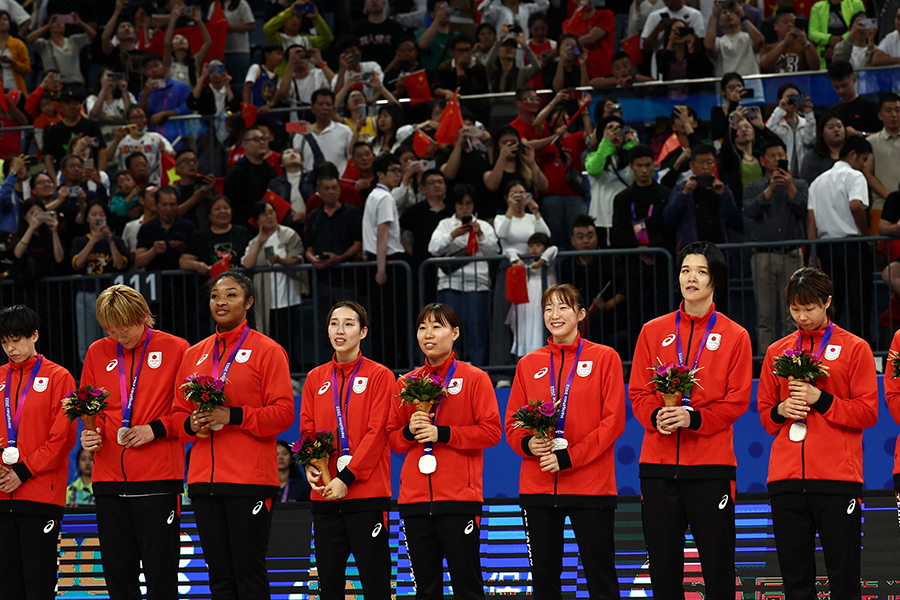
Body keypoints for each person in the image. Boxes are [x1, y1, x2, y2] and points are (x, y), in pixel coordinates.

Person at [628, 241, 752, 600]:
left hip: (711, 468)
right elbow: (637, 392)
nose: (691, 278)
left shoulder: (735, 335)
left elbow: (736, 401)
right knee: (663, 571)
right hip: (658, 466)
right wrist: (656, 417)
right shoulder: (653, 331)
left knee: (717, 568)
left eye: (700, 271)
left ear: (715, 280)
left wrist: (693, 417)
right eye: (685, 270)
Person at [758, 267, 877, 600]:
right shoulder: (776, 352)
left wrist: (821, 399)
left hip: (838, 479)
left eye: (809, 307)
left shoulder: (856, 348)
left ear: (827, 302)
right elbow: (766, 419)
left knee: (844, 579)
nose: (803, 316)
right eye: (795, 309)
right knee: (795, 581)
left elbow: (868, 413)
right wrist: (781, 410)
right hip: (786, 480)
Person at [174, 271, 294, 599]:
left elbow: (284, 414)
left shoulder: (268, 350)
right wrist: (192, 425)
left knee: (248, 575)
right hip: (202, 481)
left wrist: (233, 416)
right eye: (215, 295)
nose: (221, 302)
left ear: (249, 302)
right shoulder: (193, 354)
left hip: (249, 480)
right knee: (220, 580)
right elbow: (177, 415)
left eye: (231, 295)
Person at [505, 283, 623, 599]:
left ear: (581, 314)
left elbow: (612, 423)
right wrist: (529, 445)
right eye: (548, 308)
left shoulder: (604, 357)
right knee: (544, 582)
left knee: (601, 579)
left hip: (591, 485)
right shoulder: (528, 364)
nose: (555, 315)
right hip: (539, 485)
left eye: (563, 307)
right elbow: (513, 424)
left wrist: (570, 457)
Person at [79, 285, 190, 600]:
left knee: (161, 576)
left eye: (125, 327)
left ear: (144, 316)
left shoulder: (177, 348)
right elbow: (92, 408)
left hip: (158, 479)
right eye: (111, 329)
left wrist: (154, 429)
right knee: (118, 577)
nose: (119, 335)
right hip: (108, 481)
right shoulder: (97, 351)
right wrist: (91, 432)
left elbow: (187, 413)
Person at [386, 302, 502, 600]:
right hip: (414, 500)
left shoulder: (475, 378)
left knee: (468, 587)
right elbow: (394, 441)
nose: (428, 333)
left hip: (459, 499)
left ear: (455, 333)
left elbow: (492, 432)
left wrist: (443, 433)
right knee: (425, 589)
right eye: (423, 327)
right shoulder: (406, 383)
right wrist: (410, 431)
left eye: (437, 326)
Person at [299, 300, 395, 598]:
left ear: (363, 331)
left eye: (349, 323)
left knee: (376, 584)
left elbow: (377, 433)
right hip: (325, 496)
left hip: (366, 496)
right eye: (334, 323)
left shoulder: (381, 375)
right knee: (328, 586)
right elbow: (307, 430)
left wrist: (348, 478)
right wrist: (313, 468)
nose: (340, 330)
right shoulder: (315, 378)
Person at [0, 304, 76, 600]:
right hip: (1, 494)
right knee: (6, 586)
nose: (10, 348)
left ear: (34, 336)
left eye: (16, 339)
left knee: (39, 584)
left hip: (40, 496)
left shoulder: (60, 378)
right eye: (4, 341)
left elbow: (62, 439)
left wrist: (22, 471)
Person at [743, 138, 808, 353]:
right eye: (774, 156)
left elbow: (803, 212)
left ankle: (794, 361)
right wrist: (770, 189)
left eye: (782, 155)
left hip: (792, 255)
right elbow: (750, 212)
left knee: (794, 314)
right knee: (765, 316)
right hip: (763, 256)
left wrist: (789, 186)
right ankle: (766, 365)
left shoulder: (798, 184)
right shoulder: (754, 187)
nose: (779, 159)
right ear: (763, 160)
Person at [807, 134, 874, 341]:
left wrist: (813, 251)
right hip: (853, 246)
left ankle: (828, 350)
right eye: (863, 159)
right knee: (859, 303)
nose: (863, 165)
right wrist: (867, 235)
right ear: (852, 154)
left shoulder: (817, 182)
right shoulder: (855, 176)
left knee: (831, 304)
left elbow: (811, 220)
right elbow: (856, 205)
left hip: (826, 248)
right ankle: (861, 351)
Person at [428, 184, 500, 367]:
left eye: (468, 204)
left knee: (477, 334)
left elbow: (495, 252)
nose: (465, 208)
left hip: (477, 285)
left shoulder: (483, 226)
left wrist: (480, 235)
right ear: (455, 205)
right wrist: (452, 235)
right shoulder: (445, 225)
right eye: (460, 204)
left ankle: (478, 375)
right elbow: (433, 249)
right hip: (449, 284)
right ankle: (450, 375)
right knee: (448, 334)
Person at [611, 144, 674, 332]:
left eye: (648, 165)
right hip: (633, 265)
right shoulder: (622, 198)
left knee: (661, 313)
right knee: (634, 314)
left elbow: (670, 228)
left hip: (660, 263)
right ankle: (636, 358)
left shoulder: (665, 194)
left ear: (654, 165)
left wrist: (653, 249)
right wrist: (637, 250)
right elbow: (618, 231)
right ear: (631, 166)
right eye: (639, 165)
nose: (644, 170)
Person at [241, 199, 306, 358]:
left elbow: (297, 258)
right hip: (265, 298)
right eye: (265, 214)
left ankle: (292, 373)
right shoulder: (253, 242)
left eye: (272, 212)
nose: (270, 216)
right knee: (270, 337)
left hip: (288, 296)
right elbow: (248, 264)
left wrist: (281, 261)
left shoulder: (288, 234)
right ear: (257, 220)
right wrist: (260, 241)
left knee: (288, 336)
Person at [662, 144, 742, 252]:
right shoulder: (681, 189)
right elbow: (668, 218)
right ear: (692, 165)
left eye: (709, 162)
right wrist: (684, 194)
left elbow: (735, 221)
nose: (705, 167)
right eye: (701, 162)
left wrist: (723, 195)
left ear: (715, 164)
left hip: (720, 251)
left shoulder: (723, 189)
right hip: (692, 252)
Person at [586, 116, 637, 247]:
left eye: (619, 130)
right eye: (610, 129)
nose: (615, 133)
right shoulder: (593, 156)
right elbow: (594, 169)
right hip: (601, 220)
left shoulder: (630, 158)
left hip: (626, 219)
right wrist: (606, 143)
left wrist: (633, 147)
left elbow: (645, 173)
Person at [180, 196, 254, 275]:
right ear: (209, 214)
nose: (222, 211)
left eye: (226, 208)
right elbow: (183, 261)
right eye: (217, 209)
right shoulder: (200, 236)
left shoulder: (242, 232)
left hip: (238, 283)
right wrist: (197, 266)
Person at [42, 88, 105, 180]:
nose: (72, 107)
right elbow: (48, 157)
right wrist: (55, 180)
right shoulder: (54, 130)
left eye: (75, 103)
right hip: (64, 177)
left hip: (89, 173)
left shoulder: (91, 125)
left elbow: (102, 150)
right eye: (68, 104)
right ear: (60, 106)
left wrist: (100, 174)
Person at [223, 127, 280, 228]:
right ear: (244, 145)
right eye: (256, 139)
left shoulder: (270, 169)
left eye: (264, 139)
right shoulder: (237, 172)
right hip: (245, 224)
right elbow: (231, 204)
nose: (262, 142)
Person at [106, 106, 176, 185]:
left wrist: (165, 151)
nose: (139, 121)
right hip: (127, 185)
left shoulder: (156, 138)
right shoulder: (122, 139)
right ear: (129, 121)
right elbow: (108, 159)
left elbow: (173, 155)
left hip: (153, 183)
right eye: (135, 118)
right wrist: (116, 140)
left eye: (142, 117)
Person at [135, 186, 198, 271]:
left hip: (184, 280)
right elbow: (138, 262)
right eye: (164, 205)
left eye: (172, 205)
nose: (168, 209)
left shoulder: (188, 226)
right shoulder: (146, 228)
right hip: (156, 279)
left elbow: (198, 257)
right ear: (157, 205)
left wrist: (182, 249)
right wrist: (153, 251)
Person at [295, 88, 354, 176]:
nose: (325, 108)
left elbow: (352, 157)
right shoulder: (301, 134)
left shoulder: (345, 131)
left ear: (333, 108)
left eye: (328, 104)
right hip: (310, 185)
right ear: (312, 108)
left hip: (337, 184)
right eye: (321, 104)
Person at [28, 12, 95, 87]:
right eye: (55, 22)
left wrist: (80, 23)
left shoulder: (73, 41)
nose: (59, 24)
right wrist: (47, 26)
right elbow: (30, 39)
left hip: (75, 83)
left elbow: (92, 34)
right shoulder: (44, 44)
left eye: (61, 22)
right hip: (56, 85)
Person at [138, 52, 192, 144]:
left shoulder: (181, 87)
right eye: (148, 68)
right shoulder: (143, 93)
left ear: (164, 66)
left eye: (156, 65)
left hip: (178, 137)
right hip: (152, 140)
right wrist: (145, 95)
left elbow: (188, 107)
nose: (153, 70)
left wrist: (165, 114)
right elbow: (140, 114)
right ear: (145, 72)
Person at [863, 93, 900, 223]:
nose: (894, 115)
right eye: (889, 111)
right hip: (881, 207)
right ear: (880, 115)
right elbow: (867, 173)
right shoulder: (871, 142)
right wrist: (892, 199)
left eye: (897, 110)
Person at [765, 83, 816, 176]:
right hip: (781, 171)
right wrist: (780, 109)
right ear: (780, 100)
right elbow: (766, 133)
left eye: (796, 98)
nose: (792, 101)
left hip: (801, 172)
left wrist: (809, 114)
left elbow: (811, 140)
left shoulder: (805, 122)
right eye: (789, 97)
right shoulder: (776, 121)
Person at [704, 0, 763, 76]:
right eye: (724, 13)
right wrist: (714, 16)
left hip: (751, 83)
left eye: (732, 12)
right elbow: (708, 46)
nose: (728, 14)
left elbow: (759, 41)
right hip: (727, 84)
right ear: (720, 22)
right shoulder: (719, 42)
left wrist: (743, 17)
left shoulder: (749, 38)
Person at [12, 198, 65, 280]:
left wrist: (54, 232)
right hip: (27, 283)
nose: (36, 217)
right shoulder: (19, 235)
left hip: (49, 281)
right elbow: (18, 254)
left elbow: (59, 258)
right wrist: (31, 228)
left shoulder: (49, 234)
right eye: (32, 213)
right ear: (24, 216)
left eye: (39, 214)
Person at [561, 0, 615, 78]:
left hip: (604, 72)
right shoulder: (567, 22)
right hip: (580, 72)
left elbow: (591, 38)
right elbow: (567, 39)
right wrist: (579, 9)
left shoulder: (605, 14)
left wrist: (573, 43)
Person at [826, 61, 880, 137]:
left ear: (854, 80)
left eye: (844, 86)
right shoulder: (832, 112)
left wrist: (859, 134)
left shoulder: (871, 107)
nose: (841, 91)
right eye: (836, 87)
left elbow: (882, 136)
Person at [163, 5, 211, 86]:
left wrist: (199, 21)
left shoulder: (194, 62)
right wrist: (172, 20)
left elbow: (208, 42)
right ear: (172, 47)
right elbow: (166, 43)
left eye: (183, 38)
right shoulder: (169, 63)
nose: (181, 40)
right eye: (176, 38)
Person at [759, 8, 820, 73]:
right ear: (775, 26)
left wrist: (805, 42)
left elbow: (815, 67)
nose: (790, 25)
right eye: (786, 22)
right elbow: (764, 65)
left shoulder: (805, 45)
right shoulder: (768, 48)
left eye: (793, 22)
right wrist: (785, 42)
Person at [809, 0, 864, 66]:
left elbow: (861, 26)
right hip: (826, 56)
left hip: (851, 52)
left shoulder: (856, 3)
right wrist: (829, 39)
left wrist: (839, 42)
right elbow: (812, 33)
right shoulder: (817, 7)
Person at [353, 0, 405, 66]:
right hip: (365, 72)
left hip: (392, 72)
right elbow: (354, 53)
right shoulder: (357, 28)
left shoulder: (395, 27)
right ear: (365, 5)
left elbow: (400, 53)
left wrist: (386, 72)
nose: (374, 1)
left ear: (384, 3)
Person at [800, 111, 845, 184]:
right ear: (822, 133)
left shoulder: (853, 153)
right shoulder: (812, 156)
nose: (836, 130)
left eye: (839, 126)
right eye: (830, 127)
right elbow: (807, 183)